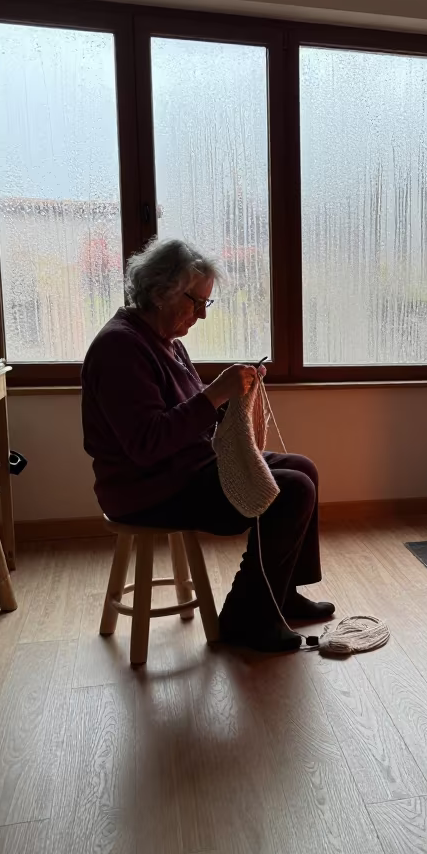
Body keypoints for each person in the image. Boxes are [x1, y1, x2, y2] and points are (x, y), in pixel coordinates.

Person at [81, 237, 334, 651]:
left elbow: (193, 417)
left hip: (184, 469)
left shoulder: (167, 344)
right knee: (292, 490)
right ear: (161, 291)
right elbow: (147, 444)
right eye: (195, 302)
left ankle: (280, 593)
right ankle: (246, 618)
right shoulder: (120, 349)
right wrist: (214, 395)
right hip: (147, 488)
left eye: (205, 305)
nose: (200, 315)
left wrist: (234, 399)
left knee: (303, 467)